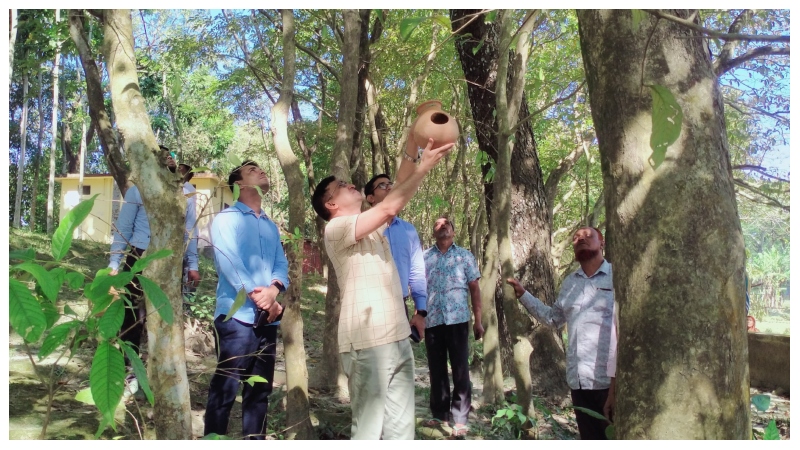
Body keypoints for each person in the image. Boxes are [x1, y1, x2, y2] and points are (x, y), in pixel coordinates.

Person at [311, 138, 453, 439]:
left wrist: (414, 144)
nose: (352, 185)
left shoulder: (373, 225)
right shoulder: (335, 229)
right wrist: (424, 166)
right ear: (331, 204)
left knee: (401, 433)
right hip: (366, 343)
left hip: (398, 336)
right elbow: (389, 206)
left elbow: (395, 189)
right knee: (368, 433)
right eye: (342, 185)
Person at [203, 161, 289, 440]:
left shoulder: (269, 225)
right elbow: (230, 263)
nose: (261, 171)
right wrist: (260, 296)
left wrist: (274, 292)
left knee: (260, 391)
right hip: (235, 317)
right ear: (238, 184)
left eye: (261, 168)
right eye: (252, 170)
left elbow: (280, 263)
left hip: (268, 318)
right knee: (225, 388)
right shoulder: (226, 219)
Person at [506, 226, 616, 440]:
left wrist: (615, 385)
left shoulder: (616, 277)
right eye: (576, 238)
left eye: (588, 236)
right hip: (578, 381)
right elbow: (553, 318)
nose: (580, 239)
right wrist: (523, 295)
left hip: (609, 382)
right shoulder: (570, 283)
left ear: (602, 243)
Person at [109, 146, 199, 365]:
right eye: (161, 155)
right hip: (140, 255)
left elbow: (189, 230)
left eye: (171, 155)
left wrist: (193, 264)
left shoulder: (186, 190)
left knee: (166, 316)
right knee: (132, 317)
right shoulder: (137, 190)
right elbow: (124, 227)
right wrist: (114, 262)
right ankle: (128, 369)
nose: (168, 158)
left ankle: (161, 370)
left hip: (171, 260)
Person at [422, 216, 483, 437]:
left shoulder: (464, 256)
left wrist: (478, 320)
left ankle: (460, 417)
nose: (442, 226)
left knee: (460, 369)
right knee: (436, 369)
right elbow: (418, 288)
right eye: (437, 224)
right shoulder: (425, 257)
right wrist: (418, 317)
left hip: (458, 320)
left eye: (446, 224)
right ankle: (439, 413)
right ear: (433, 233)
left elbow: (475, 289)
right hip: (432, 321)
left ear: (453, 231)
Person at [363, 173, 428, 329]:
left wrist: (420, 311)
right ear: (370, 198)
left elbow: (417, 271)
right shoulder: (361, 227)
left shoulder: (409, 230)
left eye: (390, 184)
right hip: (368, 308)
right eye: (382, 185)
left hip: (400, 305)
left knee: (401, 354)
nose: (389, 187)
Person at [178, 162, 201, 299]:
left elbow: (189, 220)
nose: (178, 171)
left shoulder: (188, 189)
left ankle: (186, 299)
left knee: (185, 270)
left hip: (184, 236)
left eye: (181, 170)